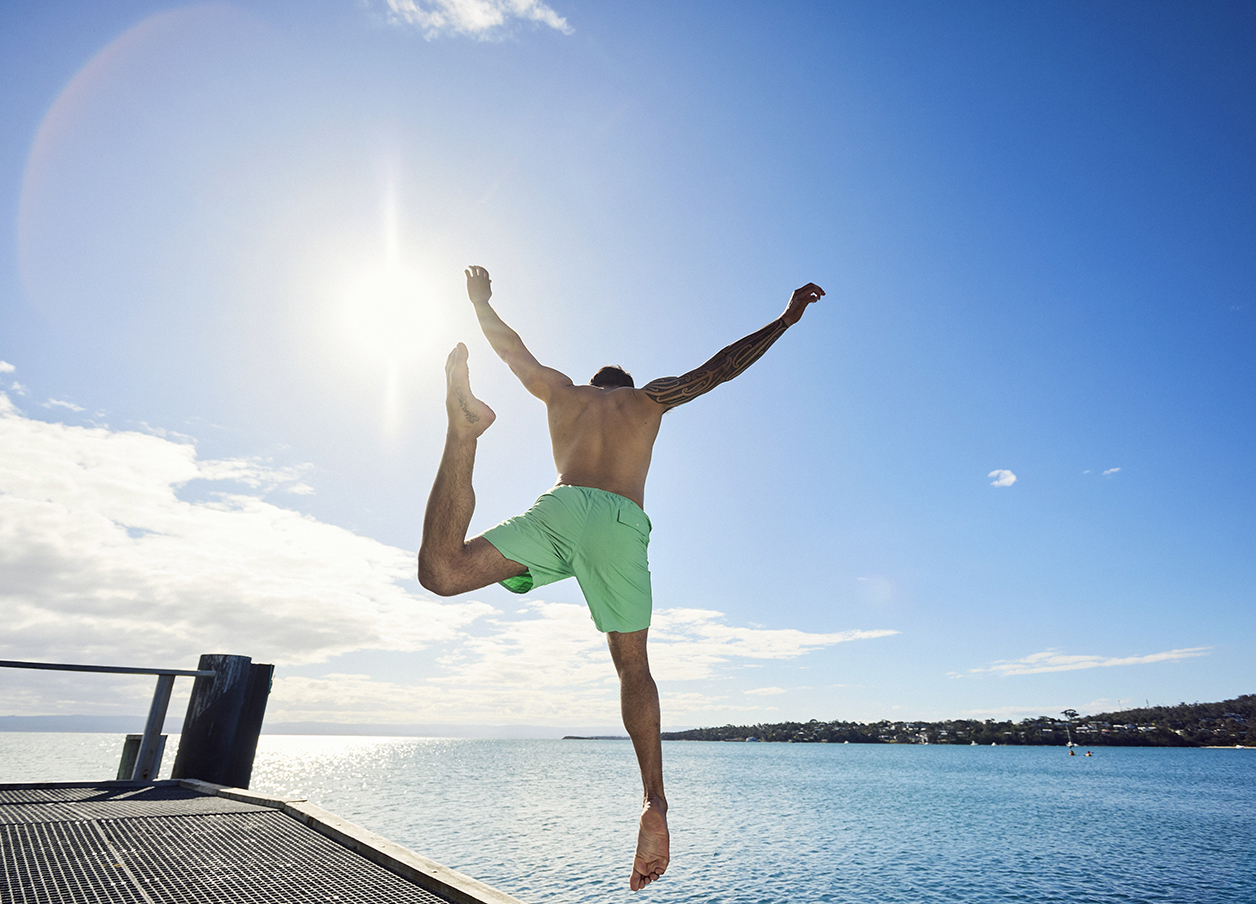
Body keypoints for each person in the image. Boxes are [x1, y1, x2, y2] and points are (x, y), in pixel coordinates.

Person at [418, 265, 824, 890]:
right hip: (619, 522)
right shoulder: (648, 399)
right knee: (633, 665)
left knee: (443, 572)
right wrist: (786, 319)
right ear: (628, 385)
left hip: (561, 507)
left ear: (593, 383)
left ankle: (463, 433)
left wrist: (479, 300)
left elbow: (512, 351)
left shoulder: (562, 393)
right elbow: (720, 369)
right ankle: (653, 802)